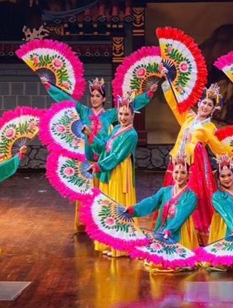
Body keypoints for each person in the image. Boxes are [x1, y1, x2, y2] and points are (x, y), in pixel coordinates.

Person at [43, 78, 155, 232]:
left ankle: (101, 224)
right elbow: (67, 100)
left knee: (102, 195)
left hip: (105, 160)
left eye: (97, 96)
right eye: (92, 95)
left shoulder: (110, 115)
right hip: (88, 160)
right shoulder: (84, 111)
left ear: (104, 99)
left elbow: (130, 106)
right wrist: (49, 86)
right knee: (85, 193)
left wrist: (149, 94)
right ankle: (84, 224)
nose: (94, 99)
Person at [161, 79, 233, 245]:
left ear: (212, 110)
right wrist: (167, 81)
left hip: (196, 165)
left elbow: (217, 146)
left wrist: (228, 157)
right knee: (174, 192)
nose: (205, 106)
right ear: (199, 103)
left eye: (209, 105)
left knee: (193, 194)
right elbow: (175, 105)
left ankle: (194, 230)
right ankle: (172, 226)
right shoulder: (188, 117)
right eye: (204, 103)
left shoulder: (210, 128)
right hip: (178, 162)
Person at [83, 93, 139, 257]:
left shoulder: (131, 134)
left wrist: (98, 167)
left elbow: (117, 156)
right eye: (120, 114)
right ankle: (109, 241)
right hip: (108, 168)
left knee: (117, 204)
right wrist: (89, 135)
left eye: (126, 114)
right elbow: (104, 148)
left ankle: (120, 246)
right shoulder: (115, 128)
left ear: (132, 115)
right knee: (108, 204)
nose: (122, 117)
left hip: (119, 171)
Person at [126, 155, 198, 272]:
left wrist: (170, 229)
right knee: (158, 261)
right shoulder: (165, 191)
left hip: (179, 230)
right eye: (176, 172)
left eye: (183, 173)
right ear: (172, 172)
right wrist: (134, 210)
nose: (179, 176)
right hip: (162, 228)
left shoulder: (191, 196)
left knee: (176, 262)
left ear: (188, 175)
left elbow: (182, 216)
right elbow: (151, 202)